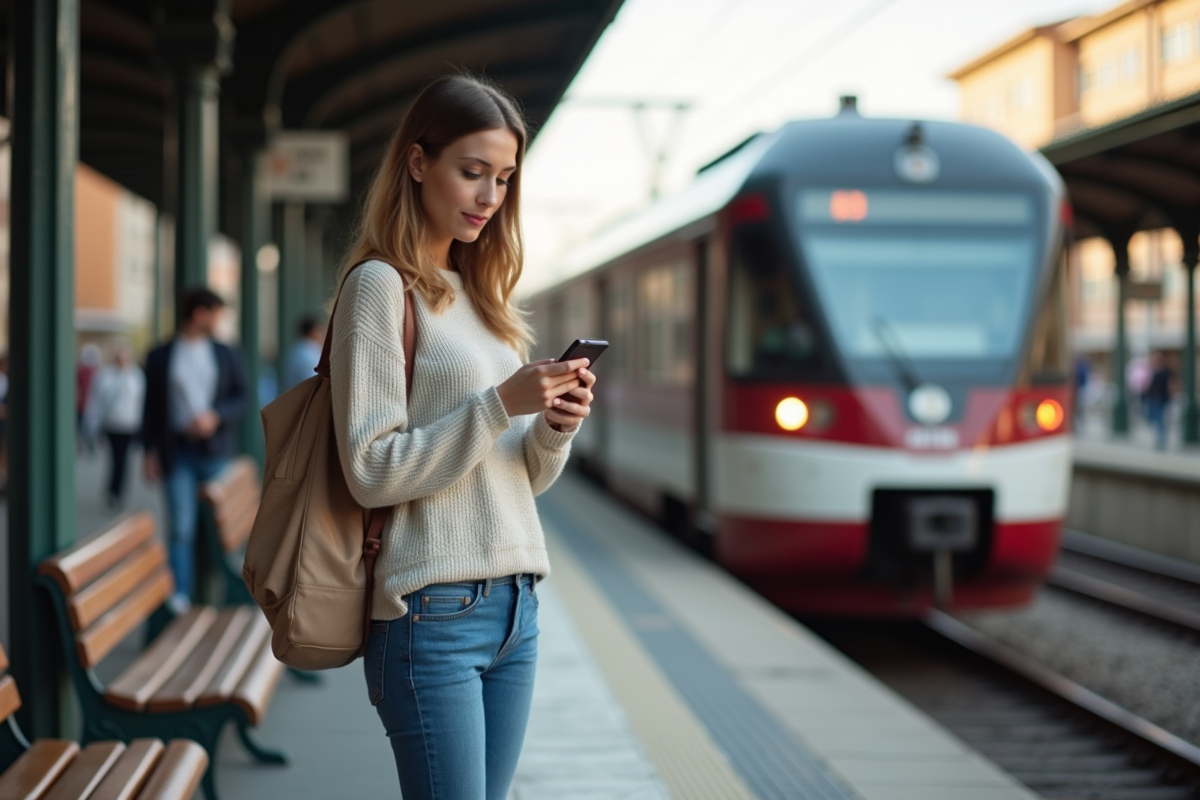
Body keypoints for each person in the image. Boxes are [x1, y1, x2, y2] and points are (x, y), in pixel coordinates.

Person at [329, 75, 596, 800]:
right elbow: (370, 470)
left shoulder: (485, 295)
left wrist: (549, 430)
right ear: (418, 163)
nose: (489, 196)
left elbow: (516, 478)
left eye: (504, 178)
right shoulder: (381, 288)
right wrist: (496, 404)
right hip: (431, 611)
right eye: (471, 171)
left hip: (519, 602)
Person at [142, 288, 248, 613]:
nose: (218, 320)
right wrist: (148, 452)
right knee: (182, 527)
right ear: (199, 314)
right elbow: (151, 408)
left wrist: (215, 416)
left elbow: (242, 396)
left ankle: (225, 594)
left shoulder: (225, 352)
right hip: (177, 453)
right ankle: (181, 599)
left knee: (221, 531)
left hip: (216, 451)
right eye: (215, 313)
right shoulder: (160, 355)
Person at [83, 340, 145, 509]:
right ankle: (113, 491)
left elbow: (141, 401)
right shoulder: (105, 375)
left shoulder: (136, 375)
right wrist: (92, 422)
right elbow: (96, 400)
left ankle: (117, 492)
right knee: (116, 459)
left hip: (129, 424)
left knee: (123, 460)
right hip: (112, 424)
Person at [282, 315, 326, 391]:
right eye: (319, 330)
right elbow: (313, 383)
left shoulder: (297, 350)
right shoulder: (307, 354)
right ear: (313, 331)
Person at [1143, 351, 1173, 450]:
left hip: (1161, 398)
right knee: (1156, 419)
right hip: (1152, 398)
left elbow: (1170, 385)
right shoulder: (1152, 371)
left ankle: (1161, 440)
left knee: (1160, 419)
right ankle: (1160, 439)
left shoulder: (1165, 371)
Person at [76, 343, 102, 453]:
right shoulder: (85, 371)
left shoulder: (94, 372)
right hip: (84, 404)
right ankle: (86, 445)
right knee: (84, 427)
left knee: (86, 427)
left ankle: (87, 445)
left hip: (88, 404)